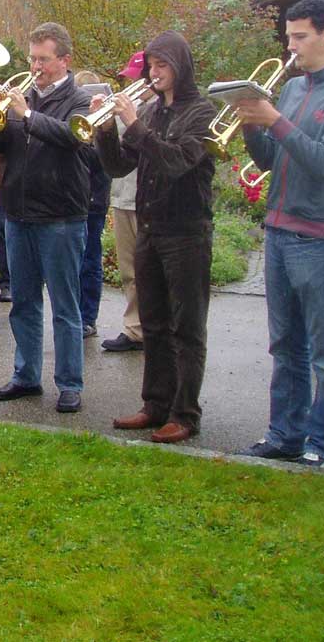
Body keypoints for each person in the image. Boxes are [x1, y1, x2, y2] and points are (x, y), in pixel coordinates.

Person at [237, 0, 324, 470]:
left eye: (299, 37)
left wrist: (275, 119)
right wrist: (252, 126)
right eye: (288, 37)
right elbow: (273, 161)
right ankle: (285, 435)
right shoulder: (293, 90)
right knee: (285, 345)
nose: (290, 47)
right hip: (278, 230)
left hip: (317, 237)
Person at [94, 32, 217, 444]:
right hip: (150, 229)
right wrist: (107, 128)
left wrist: (133, 123)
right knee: (154, 324)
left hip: (186, 233)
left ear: (180, 67)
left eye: (162, 66)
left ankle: (185, 414)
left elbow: (177, 162)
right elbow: (116, 167)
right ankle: (154, 405)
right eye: (151, 66)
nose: (154, 73)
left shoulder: (202, 112)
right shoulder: (153, 112)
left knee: (187, 328)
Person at [0, 22, 91, 413]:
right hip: (18, 212)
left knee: (64, 305)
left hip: (61, 216)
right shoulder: (20, 97)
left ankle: (70, 383)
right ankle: (26, 375)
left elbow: (72, 139)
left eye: (44, 59)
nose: (36, 67)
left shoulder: (81, 99)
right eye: (33, 59)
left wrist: (26, 116)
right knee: (23, 302)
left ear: (64, 60)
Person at [101, 52, 148, 352]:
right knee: (129, 269)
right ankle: (134, 328)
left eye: (135, 78)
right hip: (121, 194)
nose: (130, 83)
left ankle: (154, 328)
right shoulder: (128, 105)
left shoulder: (155, 110)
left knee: (149, 269)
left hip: (145, 199)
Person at [74, 70, 112, 338]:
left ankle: (88, 317)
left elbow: (104, 161)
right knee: (72, 261)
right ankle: (74, 315)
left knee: (89, 260)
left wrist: (94, 131)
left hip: (94, 198)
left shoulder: (102, 123)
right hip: (72, 198)